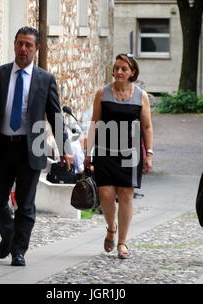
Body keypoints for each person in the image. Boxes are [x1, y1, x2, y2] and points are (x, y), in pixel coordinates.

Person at [0, 26, 72, 266]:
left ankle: (18, 251)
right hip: (2, 146)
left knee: (26, 204)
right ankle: (9, 235)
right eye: (19, 43)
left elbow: (55, 115)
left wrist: (65, 148)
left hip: (32, 146)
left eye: (28, 45)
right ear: (14, 45)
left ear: (36, 49)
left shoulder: (45, 79)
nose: (23, 49)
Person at [84, 53, 154, 259]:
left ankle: (122, 242)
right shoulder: (102, 93)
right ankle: (110, 227)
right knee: (105, 194)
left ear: (132, 72)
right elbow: (94, 123)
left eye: (124, 68)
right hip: (105, 151)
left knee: (125, 194)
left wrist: (149, 153)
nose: (119, 72)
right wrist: (88, 152)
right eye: (117, 68)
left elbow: (147, 126)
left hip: (130, 153)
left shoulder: (141, 95)